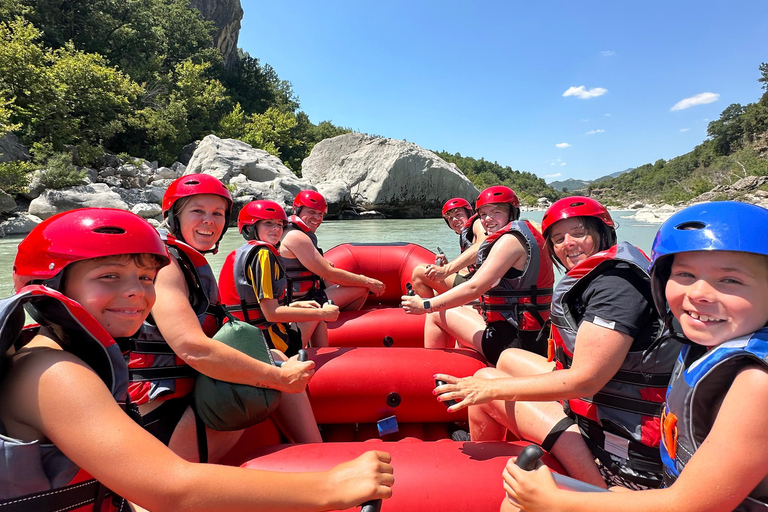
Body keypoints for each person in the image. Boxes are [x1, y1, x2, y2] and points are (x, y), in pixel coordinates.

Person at [0, 208, 394, 512]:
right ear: (49, 286)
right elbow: (171, 487)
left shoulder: (57, 352)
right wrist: (331, 486)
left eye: (145, 278)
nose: (136, 293)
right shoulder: (53, 373)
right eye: (108, 277)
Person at [501, 200, 768, 512]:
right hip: (668, 482)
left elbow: (691, 504)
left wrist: (554, 501)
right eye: (684, 275)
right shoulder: (705, 346)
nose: (698, 294)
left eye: (730, 280)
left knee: (518, 505)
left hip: (671, 492)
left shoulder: (756, 385)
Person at [434, 196, 679, 489]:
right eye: (559, 238)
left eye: (579, 233)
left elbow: (586, 381)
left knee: (485, 379)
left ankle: (483, 477)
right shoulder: (614, 271)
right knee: (509, 357)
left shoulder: (616, 288)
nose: (568, 244)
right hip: (605, 404)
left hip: (621, 457)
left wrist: (488, 389)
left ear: (602, 233)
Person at [133, 174, 320, 464]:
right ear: (173, 217)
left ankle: (315, 453)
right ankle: (319, 456)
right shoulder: (166, 265)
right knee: (277, 364)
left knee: (272, 355)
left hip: (181, 400)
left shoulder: (186, 261)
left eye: (217, 213)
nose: (209, 220)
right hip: (162, 421)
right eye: (197, 211)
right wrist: (279, 378)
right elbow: (191, 347)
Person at [401, 185, 554, 364]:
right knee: (460, 309)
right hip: (530, 335)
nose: (488, 219)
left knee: (436, 314)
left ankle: (430, 372)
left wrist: (426, 305)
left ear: (512, 213)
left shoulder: (510, 241)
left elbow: (474, 287)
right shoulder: (525, 234)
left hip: (514, 343)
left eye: (496, 212)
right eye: (483, 215)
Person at [219, 200, 340, 352]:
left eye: (279, 224)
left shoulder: (243, 252)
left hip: (243, 336)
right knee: (317, 315)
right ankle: (323, 365)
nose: (276, 229)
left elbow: (256, 304)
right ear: (250, 228)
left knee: (312, 310)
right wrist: (322, 313)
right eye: (268, 223)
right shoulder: (263, 254)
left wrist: (293, 305)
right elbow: (271, 314)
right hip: (265, 341)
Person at [279, 190, 386, 311]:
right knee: (362, 287)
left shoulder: (293, 231)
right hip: (299, 302)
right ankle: (341, 326)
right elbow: (328, 273)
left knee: (356, 285)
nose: (317, 218)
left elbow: (325, 275)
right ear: (296, 210)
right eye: (312, 212)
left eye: (320, 214)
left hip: (303, 297)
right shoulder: (295, 236)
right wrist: (368, 281)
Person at [410, 197, 487, 297]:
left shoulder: (477, 223)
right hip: (477, 281)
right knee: (435, 291)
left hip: (480, 285)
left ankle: (426, 310)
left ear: (469, 214)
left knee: (420, 272)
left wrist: (446, 269)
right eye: (450, 218)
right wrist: (447, 264)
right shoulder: (467, 234)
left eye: (458, 215)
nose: (455, 220)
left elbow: (483, 245)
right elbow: (469, 267)